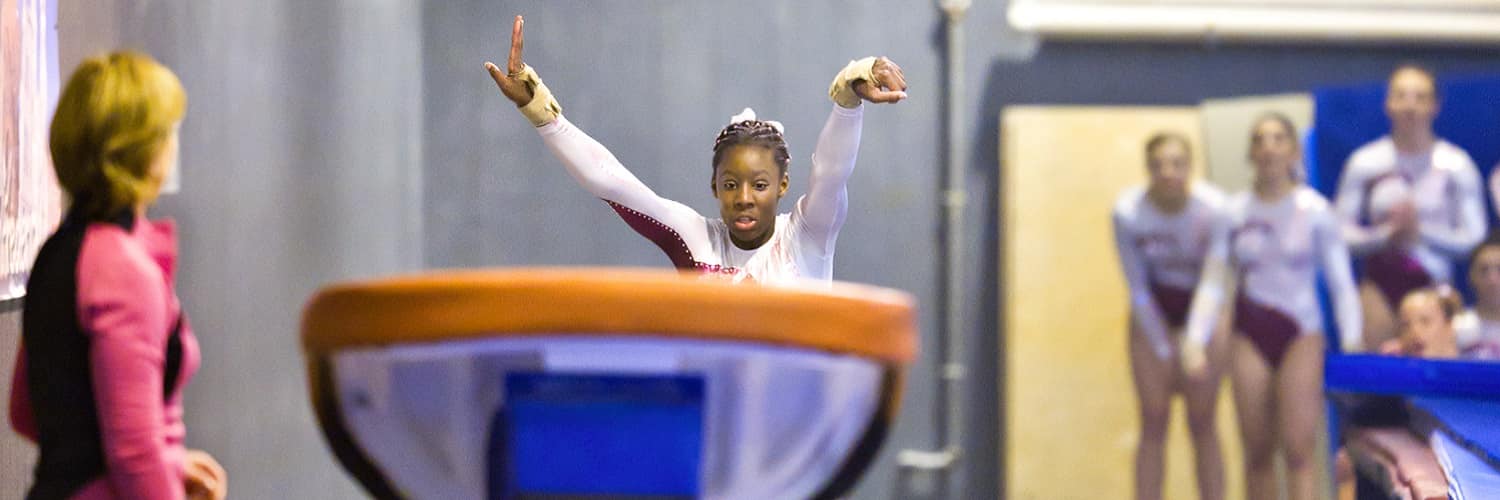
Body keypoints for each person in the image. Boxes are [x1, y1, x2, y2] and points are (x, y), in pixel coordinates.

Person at [484, 15, 905, 285]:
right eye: (730, 184)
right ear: (714, 187)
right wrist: (540, 111)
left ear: (783, 187)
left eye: (759, 184)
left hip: (795, 420)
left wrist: (848, 97)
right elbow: (609, 180)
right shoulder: (695, 238)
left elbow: (831, 173)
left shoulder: (809, 234)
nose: (743, 198)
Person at [7, 51, 226, 500]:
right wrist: (159, 464)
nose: (174, 144)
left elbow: (25, 410)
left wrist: (167, 461)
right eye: (166, 133)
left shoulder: (58, 252)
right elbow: (134, 455)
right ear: (143, 153)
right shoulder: (122, 269)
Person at [1182, 113, 1363, 500]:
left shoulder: (1314, 210)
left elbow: (1341, 283)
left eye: (1278, 138)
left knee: (1298, 449)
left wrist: (1351, 340)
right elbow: (1214, 279)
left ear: (1293, 150)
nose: (1268, 147)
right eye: (1260, 140)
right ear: (1250, 152)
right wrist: (1195, 340)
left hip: (1301, 332)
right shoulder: (1232, 212)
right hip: (1249, 333)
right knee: (1257, 451)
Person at [1333, 64, 1486, 351]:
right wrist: (1383, 236)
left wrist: (1420, 232)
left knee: (1429, 379)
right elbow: (1339, 232)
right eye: (1401, 96)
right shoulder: (1365, 162)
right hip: (1380, 285)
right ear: (1388, 103)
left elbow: (1475, 238)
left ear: (1435, 106)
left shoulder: (1456, 164)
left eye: (1420, 97)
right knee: (1380, 376)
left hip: (1434, 284)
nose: (1410, 106)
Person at [1111, 132, 1228, 500]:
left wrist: (1193, 343)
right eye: (1159, 165)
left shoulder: (1214, 208)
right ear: (1147, 170)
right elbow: (1138, 288)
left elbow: (1213, 281)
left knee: (1203, 421)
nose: (1168, 173)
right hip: (1154, 311)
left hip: (1204, 309)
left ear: (1190, 167)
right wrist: (1164, 349)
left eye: (1177, 164)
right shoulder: (1128, 212)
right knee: (1153, 420)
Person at [1452, 236, 1500, 359]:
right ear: (1471, 277)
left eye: (1499, 269)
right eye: (1484, 270)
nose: (1492, 279)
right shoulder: (1455, 327)